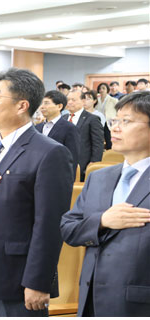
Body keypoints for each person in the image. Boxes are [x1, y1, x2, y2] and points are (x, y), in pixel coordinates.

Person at [0, 68, 74, 316]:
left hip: (16, 276)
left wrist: (38, 281)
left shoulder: (50, 152)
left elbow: (49, 224)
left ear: (22, 105)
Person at [60, 91, 150, 316]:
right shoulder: (100, 177)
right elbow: (69, 228)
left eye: (126, 121)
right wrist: (101, 221)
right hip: (92, 300)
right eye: (114, 121)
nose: (115, 128)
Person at [36, 90, 81, 179]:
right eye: (42, 103)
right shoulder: (37, 127)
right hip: (37, 175)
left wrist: (68, 181)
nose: (42, 107)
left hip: (57, 176)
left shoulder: (69, 128)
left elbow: (72, 158)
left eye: (46, 103)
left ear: (59, 106)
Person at [65, 90, 104, 181]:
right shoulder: (63, 118)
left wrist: (94, 163)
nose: (69, 102)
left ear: (83, 101)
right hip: (63, 163)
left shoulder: (92, 119)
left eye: (73, 100)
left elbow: (98, 143)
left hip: (82, 164)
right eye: (68, 100)